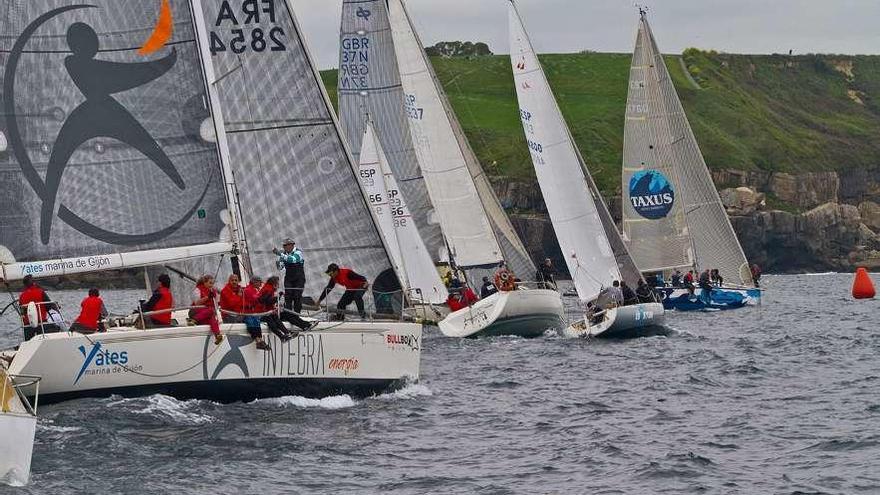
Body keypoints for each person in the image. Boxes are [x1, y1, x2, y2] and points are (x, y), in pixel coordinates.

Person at [18, 275, 60, 340]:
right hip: (41, 323)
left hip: (27, 325)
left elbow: (22, 312)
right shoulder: (40, 292)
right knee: (54, 327)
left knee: (29, 341)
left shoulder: (21, 296)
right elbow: (49, 306)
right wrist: (57, 307)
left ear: (24, 285)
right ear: (34, 283)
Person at [273, 238, 306, 315]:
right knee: (288, 297)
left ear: (291, 245)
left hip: (299, 279)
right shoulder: (284, 254)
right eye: (283, 246)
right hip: (288, 278)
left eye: (285, 245)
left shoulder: (298, 252)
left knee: (297, 296)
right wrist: (278, 262)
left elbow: (292, 260)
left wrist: (280, 254)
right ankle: (288, 315)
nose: (284, 247)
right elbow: (280, 267)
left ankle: (297, 315)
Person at [190, 275, 223, 345]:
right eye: (210, 283)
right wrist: (207, 297)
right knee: (211, 311)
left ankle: (217, 335)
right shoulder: (198, 290)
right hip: (196, 311)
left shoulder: (213, 292)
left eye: (213, 283)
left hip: (206, 314)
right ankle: (194, 319)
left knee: (212, 319)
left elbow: (217, 303)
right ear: (204, 283)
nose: (212, 285)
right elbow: (197, 303)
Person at [242, 276, 270, 350]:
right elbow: (255, 299)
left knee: (256, 322)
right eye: (259, 282)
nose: (260, 284)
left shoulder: (255, 290)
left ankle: (260, 340)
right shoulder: (248, 290)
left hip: (254, 312)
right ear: (254, 282)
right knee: (251, 322)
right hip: (247, 312)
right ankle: (258, 340)